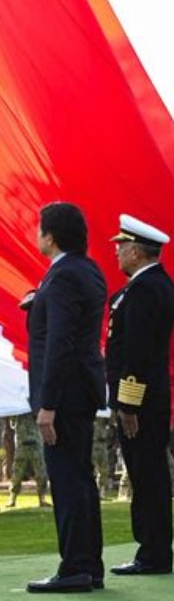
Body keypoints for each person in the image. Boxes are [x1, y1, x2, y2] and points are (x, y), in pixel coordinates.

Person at [24, 203, 106, 594]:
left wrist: (47, 404)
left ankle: (74, 566)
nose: (37, 234)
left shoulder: (61, 279)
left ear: (51, 236)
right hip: (83, 390)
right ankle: (90, 565)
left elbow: (59, 343)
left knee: (69, 481)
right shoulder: (87, 271)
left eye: (40, 229)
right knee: (82, 479)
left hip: (64, 395)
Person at [105, 214, 174, 576]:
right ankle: (152, 549)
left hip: (142, 401)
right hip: (146, 397)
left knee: (148, 475)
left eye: (121, 247)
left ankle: (154, 553)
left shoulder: (147, 290)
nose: (117, 253)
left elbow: (137, 352)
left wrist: (128, 402)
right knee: (146, 473)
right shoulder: (144, 287)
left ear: (135, 251)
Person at [7, 413, 50, 508]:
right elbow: (12, 423)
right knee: (17, 473)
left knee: (41, 472)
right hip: (22, 443)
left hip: (36, 444)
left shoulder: (36, 406)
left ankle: (42, 498)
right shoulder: (18, 408)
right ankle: (12, 498)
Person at [92, 415, 111, 498]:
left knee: (104, 470)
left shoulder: (105, 417)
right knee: (92, 469)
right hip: (93, 443)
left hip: (103, 444)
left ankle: (101, 491)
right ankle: (92, 491)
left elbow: (111, 421)